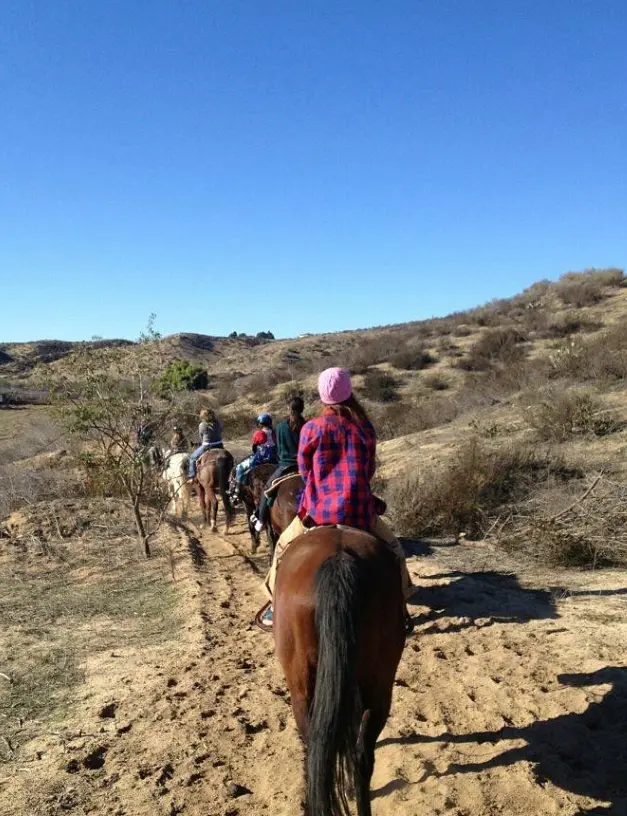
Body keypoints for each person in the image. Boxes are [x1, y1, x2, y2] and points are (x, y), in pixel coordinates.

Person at [259, 367, 414, 629]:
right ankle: (401, 604)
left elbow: (306, 471)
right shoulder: (364, 427)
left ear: (322, 396)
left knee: (283, 547)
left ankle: (275, 606)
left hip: (318, 512)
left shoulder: (311, 428)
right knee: (395, 551)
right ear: (349, 392)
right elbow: (368, 470)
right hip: (359, 511)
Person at [250, 397, 305, 533]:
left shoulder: (280, 428)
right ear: (302, 409)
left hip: (285, 466)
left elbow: (279, 449)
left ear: (289, 409)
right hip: (305, 468)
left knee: (267, 489)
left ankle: (261, 521)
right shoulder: (308, 425)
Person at [230, 413, 277, 502]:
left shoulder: (259, 433)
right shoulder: (274, 432)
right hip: (274, 458)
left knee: (239, 468)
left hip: (260, 459)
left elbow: (254, 448)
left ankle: (237, 492)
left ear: (260, 423)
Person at [187, 409, 223, 479]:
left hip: (207, 446)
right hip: (219, 444)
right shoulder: (218, 422)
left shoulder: (202, 425)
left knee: (192, 457)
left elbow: (201, 436)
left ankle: (192, 476)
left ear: (203, 417)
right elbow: (221, 431)